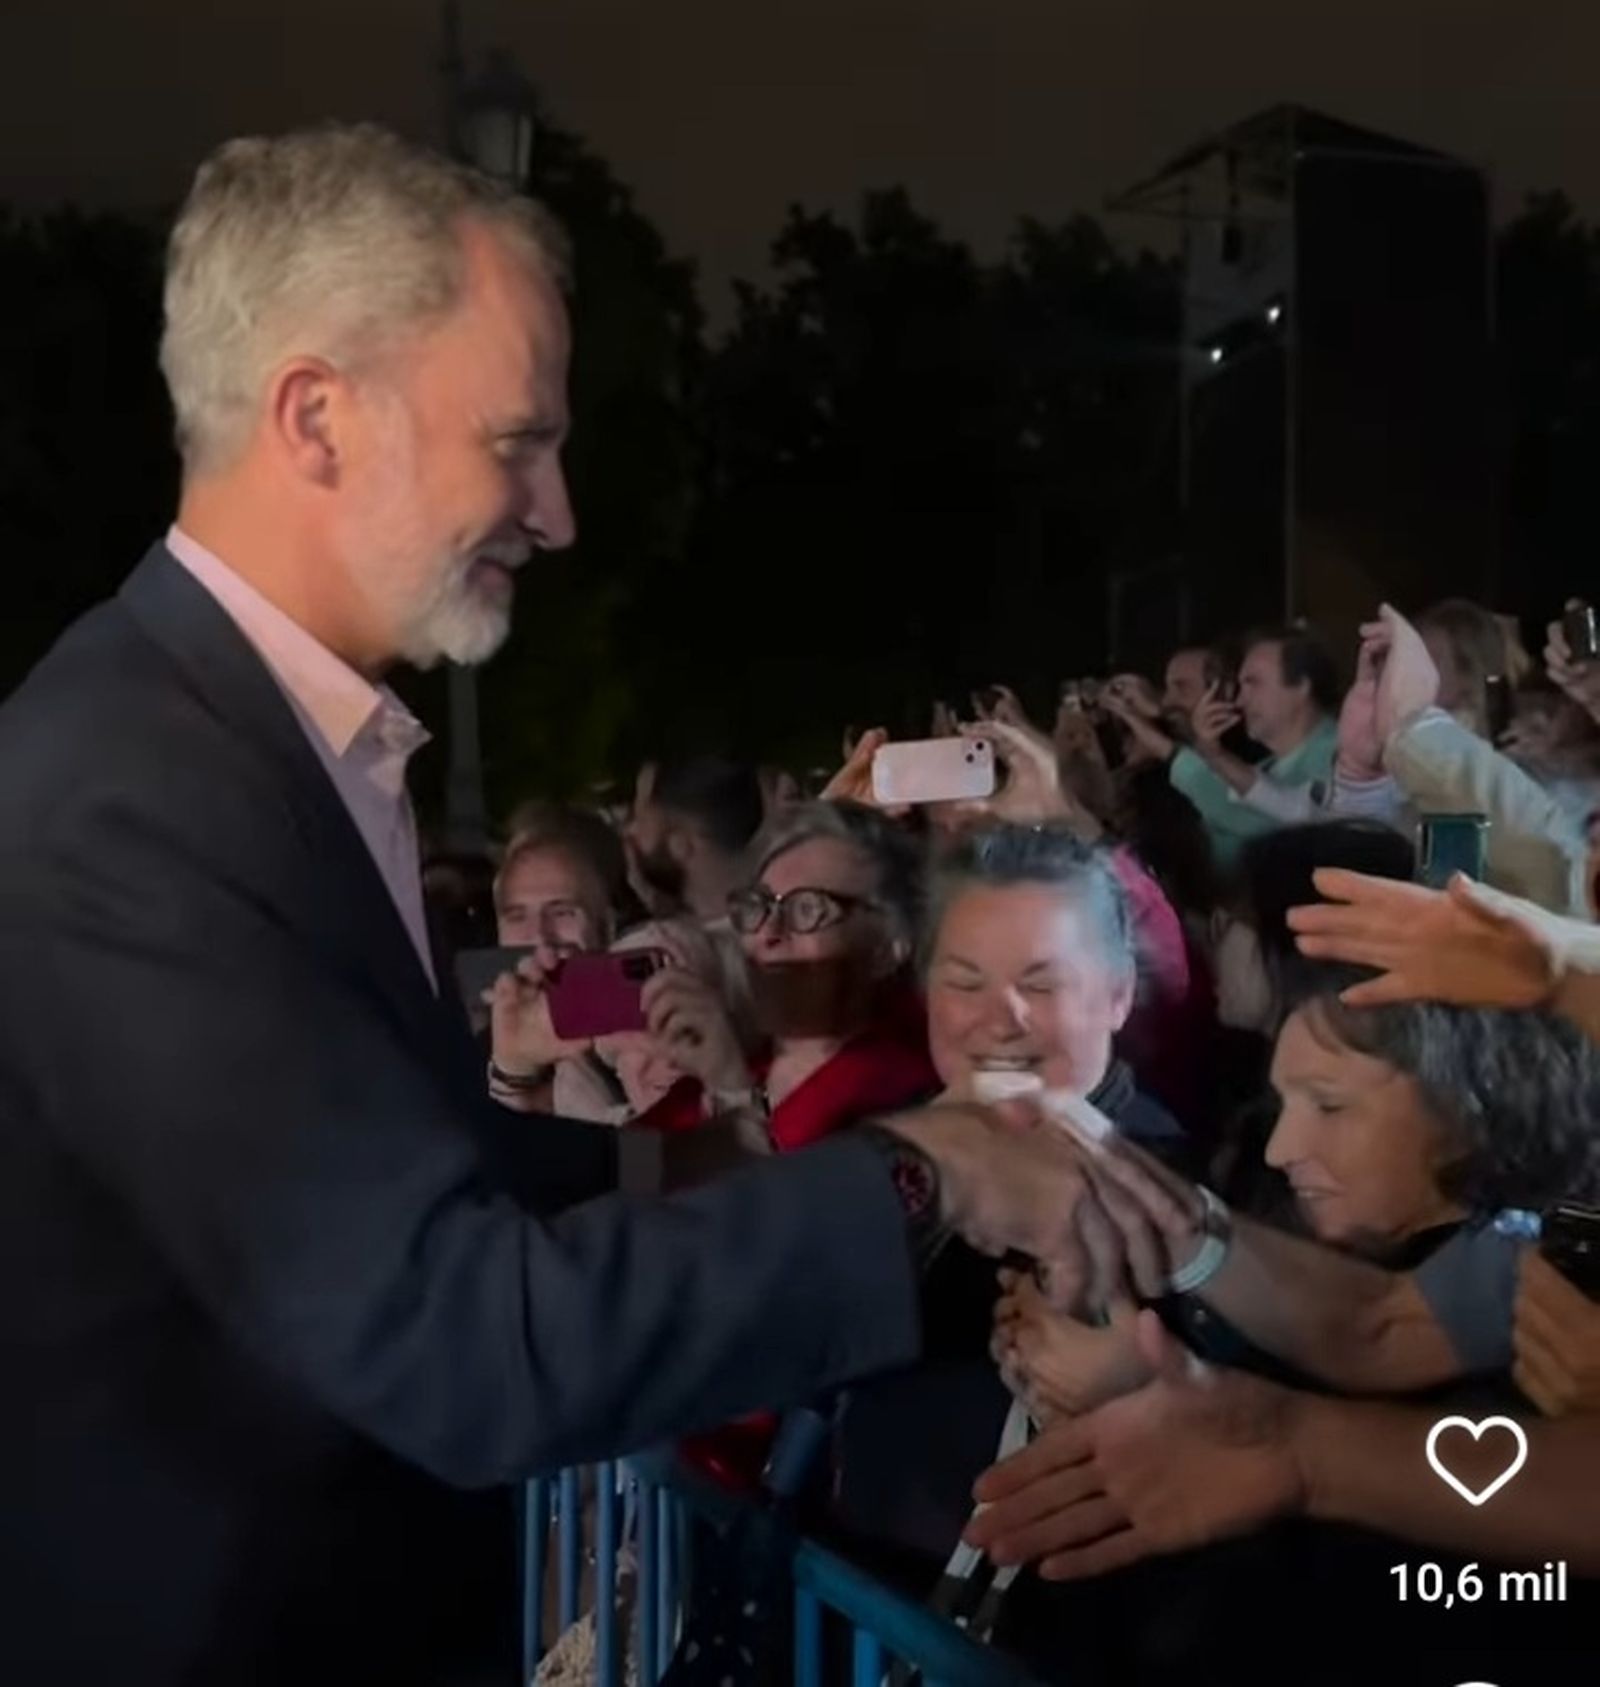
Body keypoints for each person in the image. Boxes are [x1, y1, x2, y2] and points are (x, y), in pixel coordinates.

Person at [0, 124, 1113, 1687]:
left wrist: (684, 1162)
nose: (560, 509)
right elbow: (454, 1338)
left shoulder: (231, 744)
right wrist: (920, 1174)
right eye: (516, 440)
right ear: (317, 417)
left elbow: (369, 1143)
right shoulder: (134, 790)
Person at [633, 800, 936, 1153]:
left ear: (888, 946)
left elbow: (786, 1203)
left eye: (807, 909)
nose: (769, 932)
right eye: (759, 906)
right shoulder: (740, 1058)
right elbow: (623, 1175)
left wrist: (731, 1093)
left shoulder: (905, 1093)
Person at [1111, 627, 1340, 867]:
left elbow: (1267, 825)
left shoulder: (1342, 757)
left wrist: (1170, 748)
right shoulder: (1264, 768)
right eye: (1241, 686)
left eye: (1254, 683)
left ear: (1302, 686)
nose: (1240, 700)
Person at [625, 754, 764, 923]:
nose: (630, 831)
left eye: (640, 818)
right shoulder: (781, 912)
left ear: (680, 845)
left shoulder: (659, 945)